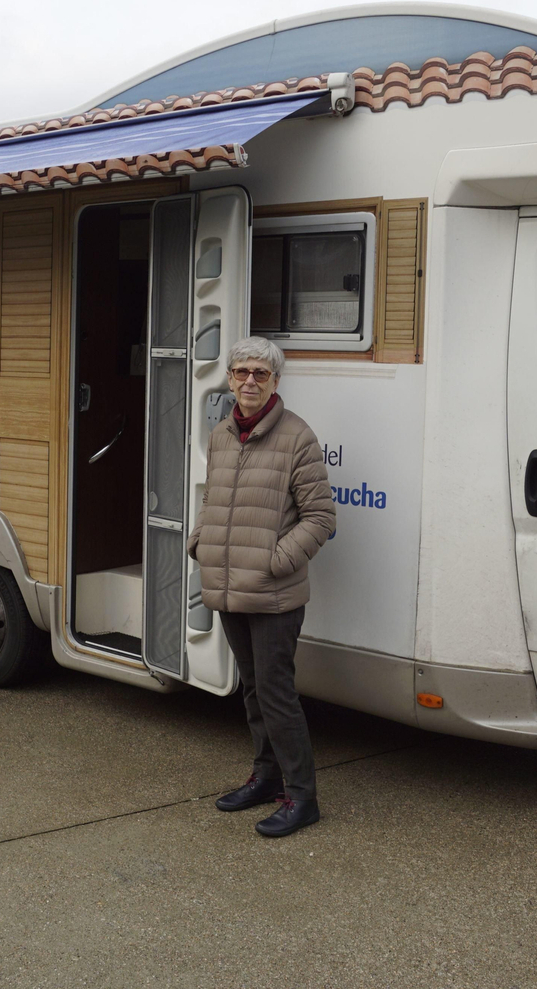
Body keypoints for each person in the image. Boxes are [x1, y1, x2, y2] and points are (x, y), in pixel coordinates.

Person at [187, 336, 336, 838]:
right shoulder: (224, 434)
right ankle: (267, 777)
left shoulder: (297, 437)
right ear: (229, 379)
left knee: (276, 694)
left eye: (261, 374)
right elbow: (214, 500)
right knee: (252, 692)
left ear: (275, 381)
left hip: (272, 593)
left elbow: (320, 517)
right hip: (228, 587)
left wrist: (275, 562)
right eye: (242, 372)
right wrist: (200, 541)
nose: (250, 381)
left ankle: (302, 796)